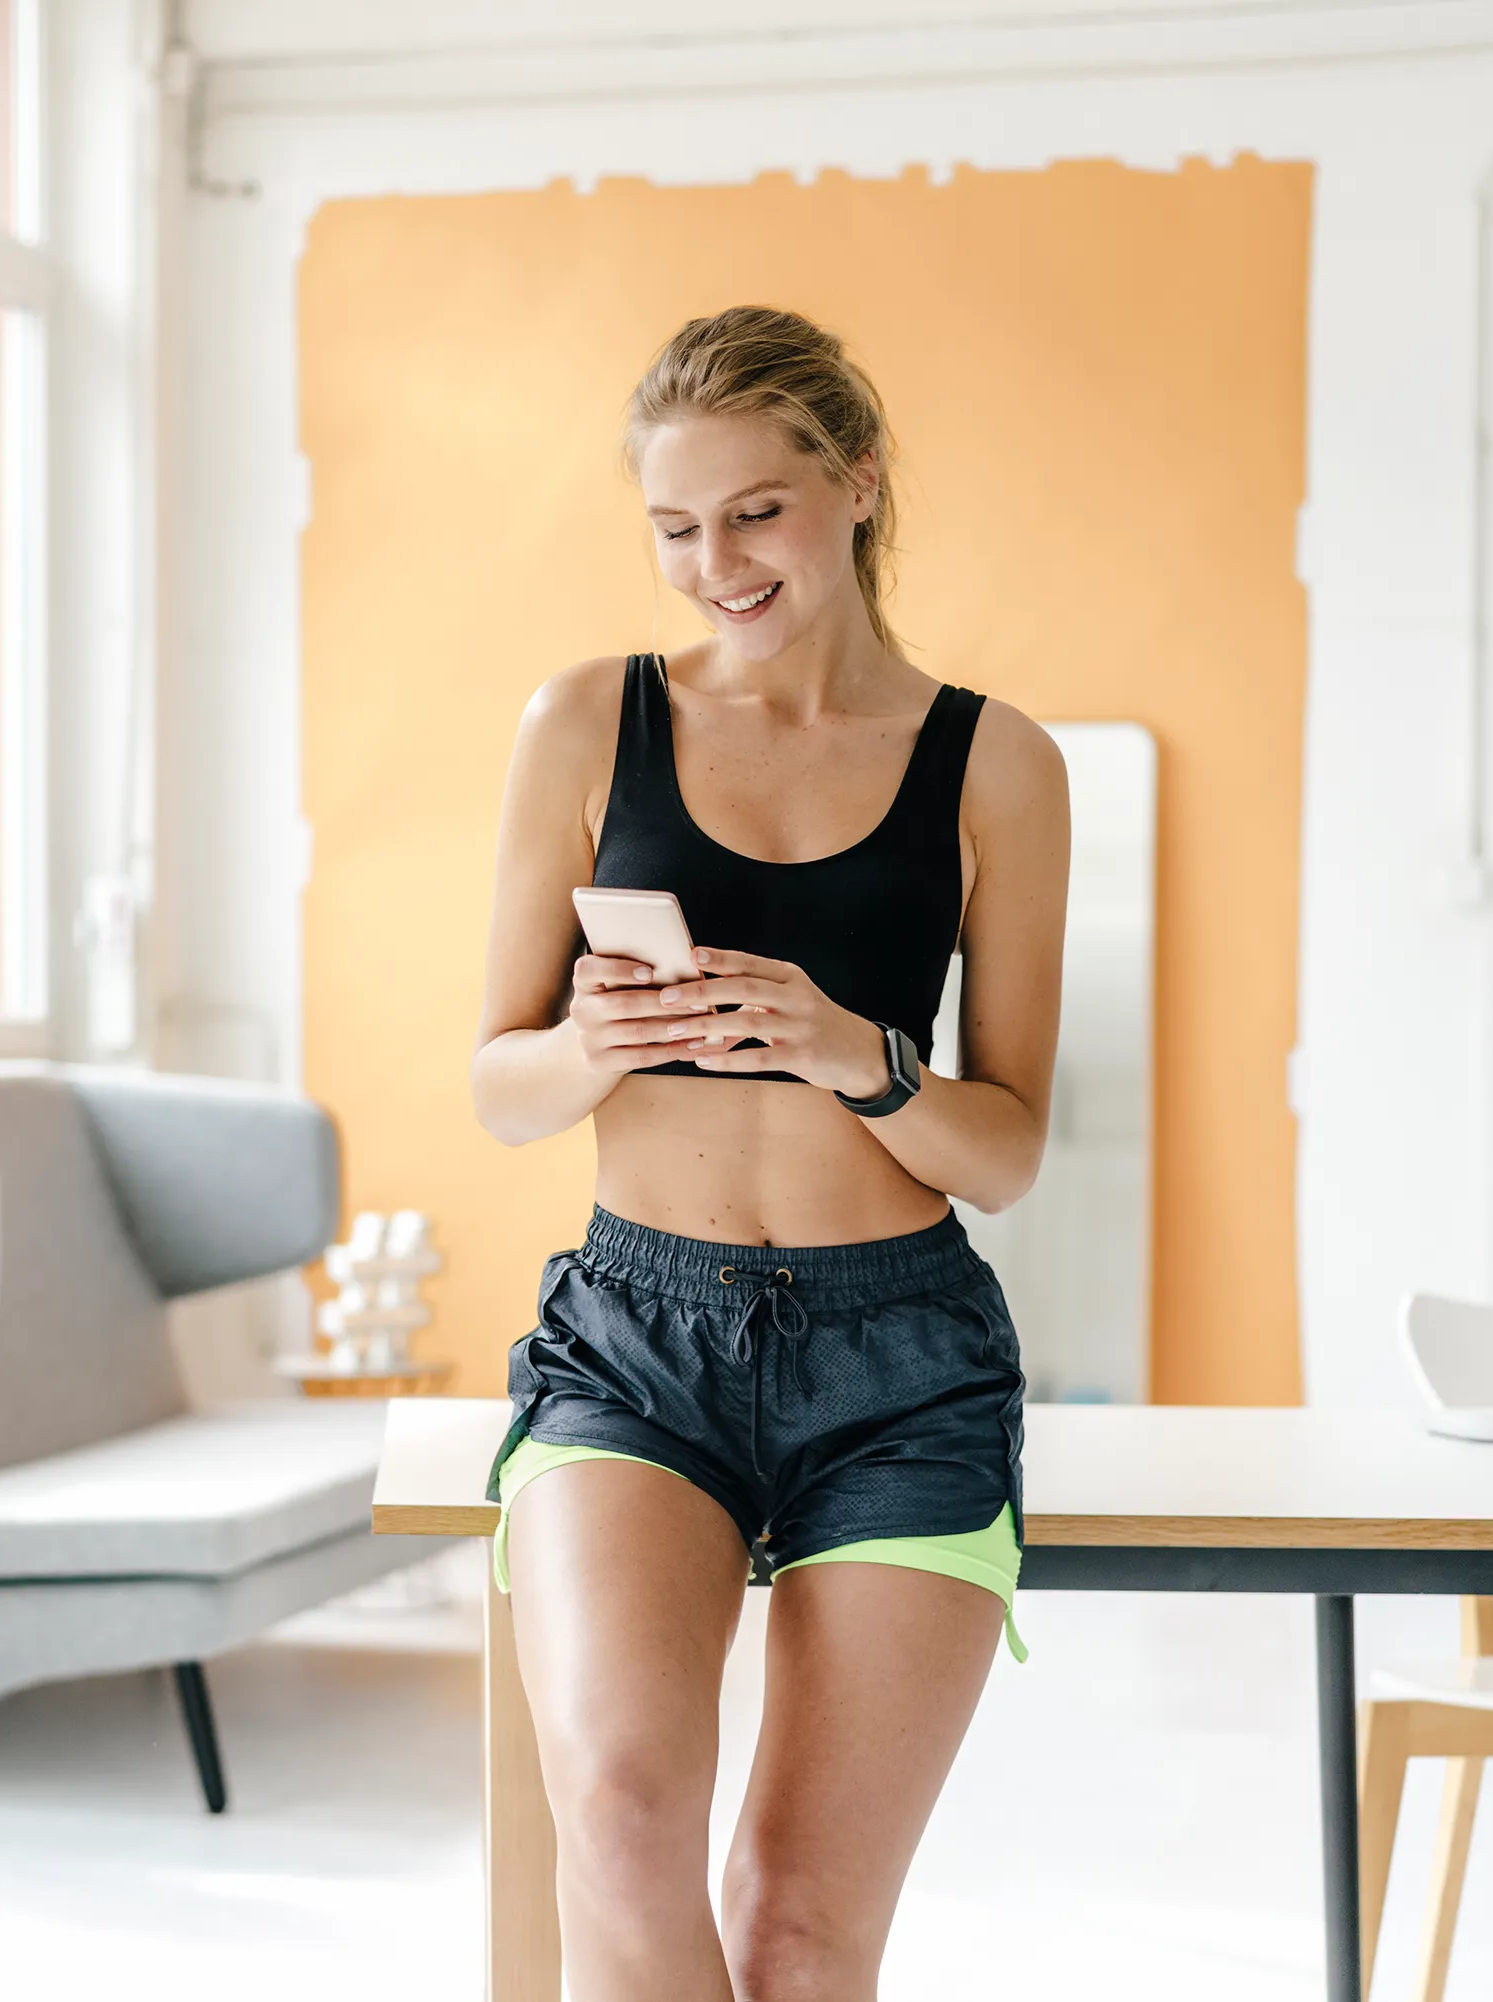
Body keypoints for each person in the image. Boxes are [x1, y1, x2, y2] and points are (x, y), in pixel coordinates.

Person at [469, 304, 1070, 2002]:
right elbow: (500, 1084)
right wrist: (590, 1042)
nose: (713, 561)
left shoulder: (997, 764)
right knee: (622, 1808)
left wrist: (859, 1060)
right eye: (674, 526)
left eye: (754, 511)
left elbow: (1011, 1149)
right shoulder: (587, 720)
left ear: (857, 484)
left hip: (904, 1361)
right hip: (634, 1344)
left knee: (803, 1929)